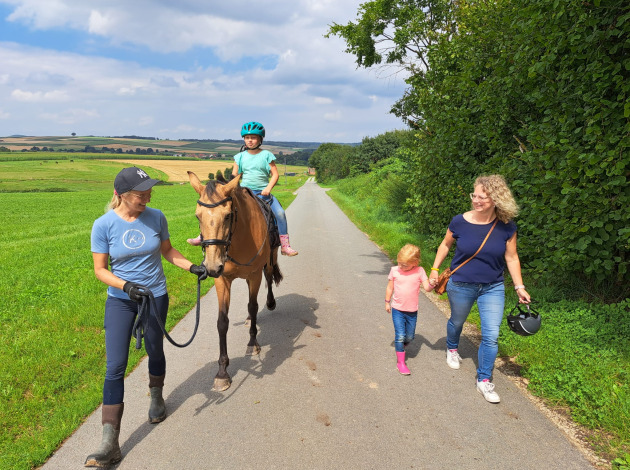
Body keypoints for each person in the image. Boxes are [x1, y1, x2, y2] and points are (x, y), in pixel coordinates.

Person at [86, 167, 207, 467]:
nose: (147, 197)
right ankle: (109, 442)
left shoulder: (157, 217)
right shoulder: (103, 226)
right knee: (115, 366)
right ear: (121, 196)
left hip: (155, 297)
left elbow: (167, 250)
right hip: (121, 301)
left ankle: (156, 397)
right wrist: (126, 286)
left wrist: (191, 267)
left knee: (155, 349)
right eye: (141, 194)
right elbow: (100, 270)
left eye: (149, 192)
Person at [429, 175, 530, 403]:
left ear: (495, 199)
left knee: (491, 336)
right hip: (461, 284)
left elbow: (512, 258)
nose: (476, 200)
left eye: (482, 197)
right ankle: (452, 347)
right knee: (457, 321)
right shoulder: (459, 221)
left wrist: (519, 286)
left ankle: (484, 380)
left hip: (492, 287)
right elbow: (445, 244)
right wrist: (435, 268)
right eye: (474, 195)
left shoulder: (507, 227)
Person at [188, 121, 298, 256]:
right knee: (218, 211)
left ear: (260, 139)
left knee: (280, 213)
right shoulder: (239, 157)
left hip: (263, 193)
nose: (250, 141)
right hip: (244, 192)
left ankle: (285, 246)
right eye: (247, 138)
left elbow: (275, 174)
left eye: (253, 137)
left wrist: (268, 188)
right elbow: (234, 176)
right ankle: (203, 236)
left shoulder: (266, 155)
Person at [385, 244, 435, 375]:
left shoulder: (420, 271)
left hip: (412, 311)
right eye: (400, 263)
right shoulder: (395, 270)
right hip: (397, 309)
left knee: (410, 336)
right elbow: (390, 287)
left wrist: (432, 283)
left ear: (415, 262)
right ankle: (401, 362)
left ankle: (401, 345)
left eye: (405, 265)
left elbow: (427, 288)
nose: (401, 267)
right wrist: (387, 302)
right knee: (400, 336)